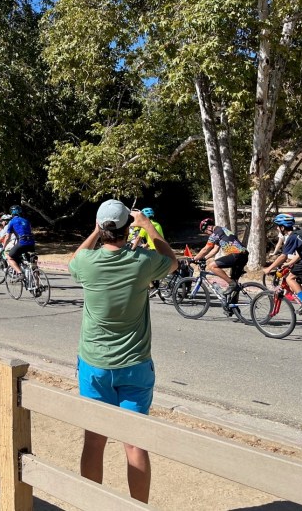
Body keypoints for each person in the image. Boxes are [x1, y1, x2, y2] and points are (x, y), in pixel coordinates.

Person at [68, 199, 176, 503]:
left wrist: (94, 232)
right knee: (135, 444)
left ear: (102, 229)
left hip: (95, 365)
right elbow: (172, 260)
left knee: (94, 440)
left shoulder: (86, 264)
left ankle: (90, 504)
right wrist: (148, 226)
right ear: (127, 229)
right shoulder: (142, 262)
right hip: (135, 365)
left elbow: (75, 259)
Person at [263, 214, 302, 313]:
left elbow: (283, 256)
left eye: (278, 226)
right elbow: (301, 254)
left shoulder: (293, 236)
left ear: (282, 227)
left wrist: (269, 268)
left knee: (290, 278)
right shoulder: (301, 233)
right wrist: (290, 263)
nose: (277, 228)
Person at [193, 218, 248, 299]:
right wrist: (204, 258)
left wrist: (194, 259)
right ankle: (233, 307)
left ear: (209, 227)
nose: (208, 234)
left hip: (236, 255)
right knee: (234, 284)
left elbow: (206, 249)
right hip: (243, 255)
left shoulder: (216, 233)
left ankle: (231, 283)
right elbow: (215, 250)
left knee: (212, 266)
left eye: (206, 232)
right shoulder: (222, 230)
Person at [0, 205, 35, 279]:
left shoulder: (12, 222)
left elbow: (7, 237)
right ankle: (37, 285)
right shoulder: (26, 221)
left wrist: (3, 247)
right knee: (33, 264)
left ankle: (19, 273)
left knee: (10, 257)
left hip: (22, 243)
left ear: (11, 213)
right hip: (31, 243)